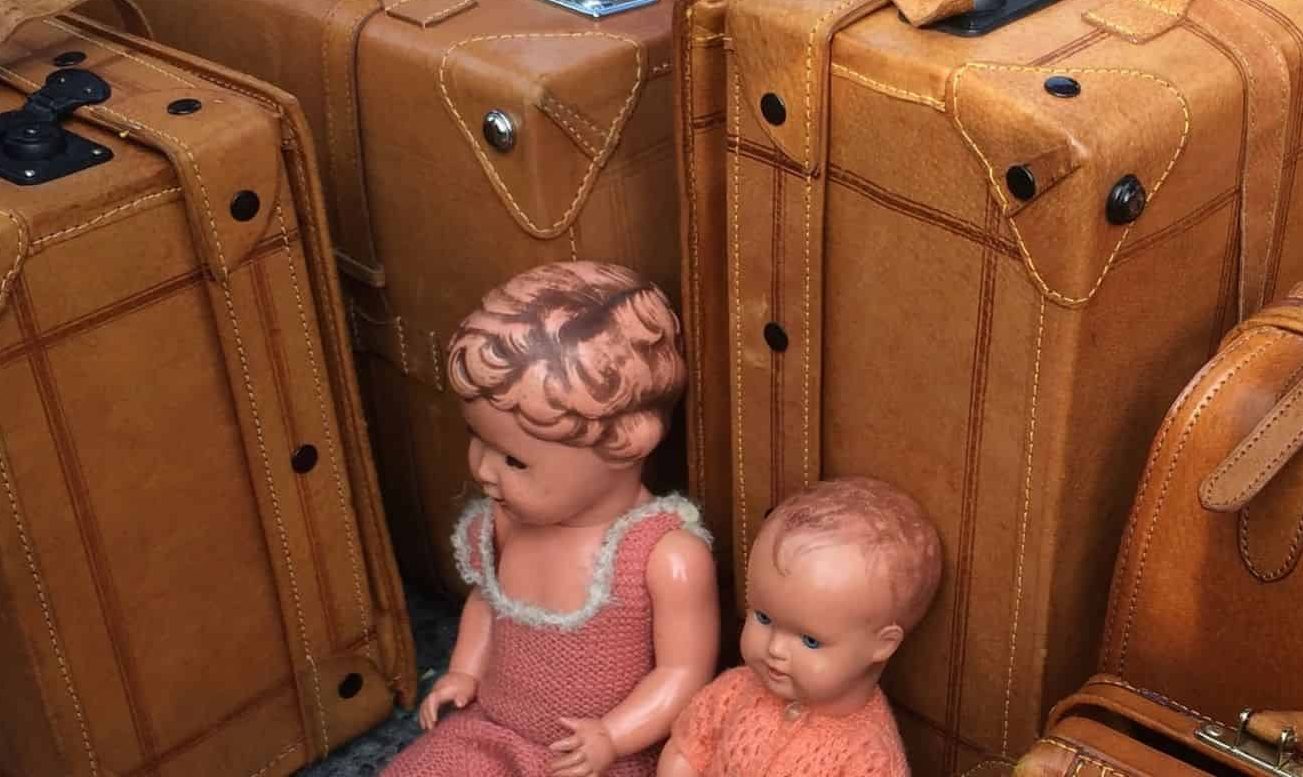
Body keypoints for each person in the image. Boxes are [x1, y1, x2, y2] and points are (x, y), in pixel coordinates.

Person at [386, 261, 718, 777]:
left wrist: (613, 736)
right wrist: (464, 671)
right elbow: (487, 602)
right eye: (478, 439)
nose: (484, 471)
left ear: (624, 443)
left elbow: (683, 672)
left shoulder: (664, 556)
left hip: (594, 756)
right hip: (494, 728)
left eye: (514, 460)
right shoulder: (505, 522)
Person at [659, 477, 943, 777]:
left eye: (810, 640)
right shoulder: (736, 689)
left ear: (882, 644)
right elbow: (687, 748)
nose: (775, 648)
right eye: (764, 618)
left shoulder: (869, 757)